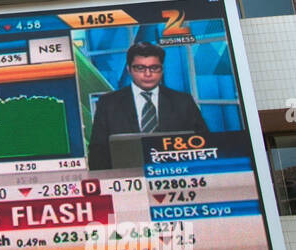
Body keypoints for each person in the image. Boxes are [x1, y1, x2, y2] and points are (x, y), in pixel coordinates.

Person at [86, 41, 208, 170]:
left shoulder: (183, 101)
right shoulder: (108, 104)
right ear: (129, 69)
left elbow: (205, 144)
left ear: (162, 69)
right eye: (140, 68)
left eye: (154, 68)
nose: (148, 74)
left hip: (176, 176)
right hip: (127, 179)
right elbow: (97, 153)